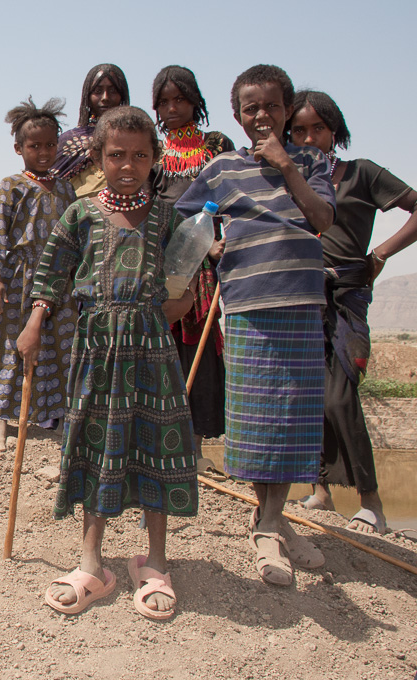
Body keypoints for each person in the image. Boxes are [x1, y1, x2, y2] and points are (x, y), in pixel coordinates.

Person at [18, 106, 197, 620]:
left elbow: (185, 273)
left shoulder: (169, 218)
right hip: (96, 347)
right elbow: (52, 273)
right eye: (116, 154)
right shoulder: (79, 213)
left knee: (155, 445)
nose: (128, 164)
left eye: (141, 155)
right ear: (98, 156)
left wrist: (183, 300)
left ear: (154, 159)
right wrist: (34, 322)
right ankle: (92, 563)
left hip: (152, 348)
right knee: (96, 446)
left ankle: (156, 562)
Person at [176, 65, 334, 586]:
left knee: (294, 417)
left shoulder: (312, 161)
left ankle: (272, 521)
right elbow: (184, 215)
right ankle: (268, 525)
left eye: (270, 105)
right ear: (238, 116)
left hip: (302, 301)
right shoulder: (221, 167)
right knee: (261, 417)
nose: (261, 115)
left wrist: (286, 164)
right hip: (247, 305)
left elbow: (321, 220)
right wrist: (210, 243)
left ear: (287, 109)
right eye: (250, 108)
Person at [287, 90, 417, 534]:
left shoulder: (361, 174)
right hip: (301, 294)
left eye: (317, 128)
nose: (308, 138)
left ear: (334, 130)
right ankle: (320, 491)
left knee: (340, 396)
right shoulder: (287, 180)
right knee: (308, 395)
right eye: (298, 130)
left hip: (346, 293)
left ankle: (372, 502)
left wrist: (380, 253)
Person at [0, 97, 78, 451]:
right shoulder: (10, 185)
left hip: (60, 282)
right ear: (18, 148)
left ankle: (56, 416)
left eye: (50, 144)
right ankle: (0, 418)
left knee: (60, 348)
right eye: (34, 145)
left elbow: (76, 235)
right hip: (19, 280)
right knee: (9, 347)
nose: (43, 152)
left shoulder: (66, 188)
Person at [150, 65, 235, 459]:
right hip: (161, 259)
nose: (172, 108)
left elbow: (234, 196)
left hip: (206, 258)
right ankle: (160, 437)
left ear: (195, 101)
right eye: (164, 101)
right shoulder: (152, 148)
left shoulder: (217, 144)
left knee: (197, 345)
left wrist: (219, 240)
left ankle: (195, 445)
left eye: (179, 99)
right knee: (159, 344)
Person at [52, 64, 130, 199]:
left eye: (112, 91)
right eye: (98, 91)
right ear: (87, 96)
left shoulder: (134, 139)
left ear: (122, 96)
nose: (105, 97)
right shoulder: (69, 141)